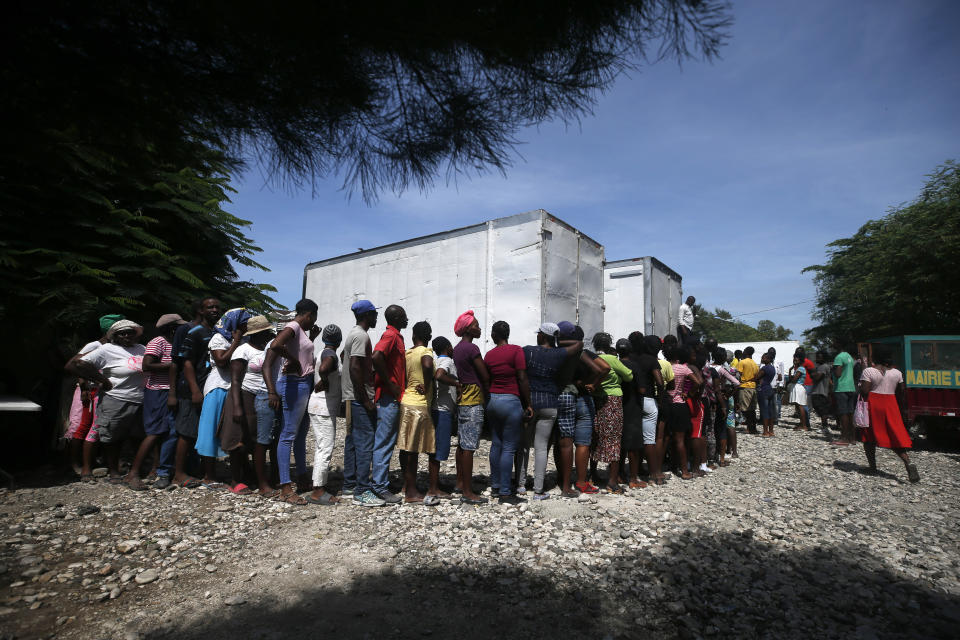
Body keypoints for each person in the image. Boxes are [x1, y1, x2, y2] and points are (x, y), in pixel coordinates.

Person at [66, 320, 146, 484]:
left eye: (130, 332)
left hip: (139, 398)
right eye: (122, 333)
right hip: (115, 398)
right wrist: (101, 380)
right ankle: (113, 471)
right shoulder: (107, 349)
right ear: (115, 336)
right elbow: (76, 365)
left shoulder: (141, 349)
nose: (126, 336)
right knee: (111, 436)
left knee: (136, 436)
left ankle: (135, 470)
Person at [264, 299, 319, 505]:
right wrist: (293, 361)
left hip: (303, 383)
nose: (313, 322)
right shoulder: (294, 326)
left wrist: (310, 340)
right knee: (288, 434)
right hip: (294, 384)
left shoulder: (301, 331)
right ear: (309, 314)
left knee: (300, 434)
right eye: (313, 318)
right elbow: (276, 345)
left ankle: (302, 477)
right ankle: (286, 487)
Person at [520, 322, 582, 500]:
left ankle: (521, 485)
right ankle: (538, 490)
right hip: (550, 403)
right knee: (541, 448)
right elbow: (579, 345)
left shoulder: (528, 351)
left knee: (524, 446)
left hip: (530, 403)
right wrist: (557, 342)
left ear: (542, 336)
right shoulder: (558, 354)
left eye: (539, 333)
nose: (537, 335)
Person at [124, 314, 186, 490]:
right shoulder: (158, 342)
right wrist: (173, 366)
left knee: (169, 432)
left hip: (170, 390)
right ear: (171, 328)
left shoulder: (175, 342)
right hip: (158, 390)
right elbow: (147, 365)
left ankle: (158, 469)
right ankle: (133, 473)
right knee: (155, 432)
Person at [64, 313, 123, 481]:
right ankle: (76, 464)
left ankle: (93, 462)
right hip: (90, 391)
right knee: (82, 427)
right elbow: (77, 365)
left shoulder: (113, 347)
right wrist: (86, 386)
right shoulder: (95, 345)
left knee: (94, 427)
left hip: (99, 391)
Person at [196, 307, 250, 489]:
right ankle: (209, 475)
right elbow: (221, 361)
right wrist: (235, 342)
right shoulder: (218, 338)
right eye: (244, 322)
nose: (247, 325)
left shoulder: (246, 339)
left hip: (236, 389)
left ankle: (239, 473)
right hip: (218, 387)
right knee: (210, 431)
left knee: (235, 432)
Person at [225, 315, 279, 497]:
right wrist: (237, 406)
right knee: (239, 438)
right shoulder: (243, 351)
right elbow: (235, 380)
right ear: (255, 334)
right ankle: (235, 479)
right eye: (265, 333)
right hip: (245, 395)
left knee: (258, 439)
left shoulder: (267, 349)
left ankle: (253, 475)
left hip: (263, 396)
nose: (268, 336)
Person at [171, 297, 222, 489]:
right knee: (187, 431)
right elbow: (184, 362)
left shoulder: (215, 332)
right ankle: (178, 473)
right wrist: (192, 390)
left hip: (209, 386)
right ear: (200, 310)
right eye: (210, 307)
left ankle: (204, 470)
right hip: (192, 388)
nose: (215, 310)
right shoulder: (191, 331)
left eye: (217, 307)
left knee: (206, 430)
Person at [484, 321, 533, 504]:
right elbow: (522, 378)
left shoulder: (489, 355)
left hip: (493, 400)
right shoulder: (516, 351)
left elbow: (487, 378)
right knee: (509, 447)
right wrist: (528, 403)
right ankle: (505, 492)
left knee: (496, 444)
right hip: (510, 401)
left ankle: (496, 485)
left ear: (495, 335)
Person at [555, 322, 606, 496]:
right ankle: (582, 481)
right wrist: (591, 383)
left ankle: (563, 478)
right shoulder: (583, 353)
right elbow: (604, 368)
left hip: (564, 395)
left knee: (563, 440)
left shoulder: (558, 351)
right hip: (584, 398)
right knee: (583, 443)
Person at [341, 300, 383, 507]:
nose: (376, 317)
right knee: (365, 444)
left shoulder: (354, 334)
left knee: (354, 442)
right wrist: (366, 399)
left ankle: (350, 483)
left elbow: (346, 359)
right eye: (374, 314)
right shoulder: (361, 335)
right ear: (367, 315)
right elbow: (355, 367)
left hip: (354, 396)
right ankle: (362, 490)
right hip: (360, 398)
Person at [858, 347, 920, 482]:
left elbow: (864, 391)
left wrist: (859, 385)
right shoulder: (897, 373)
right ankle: (908, 462)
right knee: (893, 435)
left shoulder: (869, 371)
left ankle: (872, 467)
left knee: (869, 437)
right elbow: (901, 392)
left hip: (874, 404)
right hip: (891, 404)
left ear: (875, 357)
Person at [370, 304, 408, 504]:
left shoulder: (396, 336)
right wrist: (390, 384)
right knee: (384, 442)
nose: (407, 319)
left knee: (386, 441)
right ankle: (379, 486)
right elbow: (377, 356)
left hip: (390, 397)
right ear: (397, 318)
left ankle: (380, 482)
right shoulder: (391, 336)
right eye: (404, 316)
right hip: (388, 397)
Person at [452, 310, 490, 505]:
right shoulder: (472, 349)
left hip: (463, 399)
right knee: (469, 447)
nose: (479, 328)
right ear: (467, 329)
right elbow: (484, 374)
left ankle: (460, 482)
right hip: (474, 399)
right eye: (475, 325)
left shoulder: (457, 349)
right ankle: (468, 491)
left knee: (462, 444)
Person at [396, 321, 436, 504]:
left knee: (406, 448)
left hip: (406, 401)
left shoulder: (408, 353)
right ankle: (411, 493)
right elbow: (427, 366)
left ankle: (407, 484)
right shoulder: (426, 352)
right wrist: (427, 385)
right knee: (413, 450)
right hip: (419, 405)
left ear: (414, 336)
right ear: (428, 337)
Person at [591, 332, 633, 493]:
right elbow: (629, 376)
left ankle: (592, 474)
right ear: (609, 344)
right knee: (614, 439)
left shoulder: (591, 357)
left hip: (595, 400)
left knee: (596, 437)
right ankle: (612, 482)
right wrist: (619, 380)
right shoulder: (611, 360)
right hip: (613, 401)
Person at [306, 324, 342, 505]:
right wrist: (325, 381)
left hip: (318, 405)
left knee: (322, 446)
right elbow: (324, 369)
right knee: (325, 448)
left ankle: (317, 484)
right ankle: (318, 491)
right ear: (339, 340)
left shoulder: (322, 353)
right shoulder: (330, 355)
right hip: (323, 408)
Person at [622, 334, 664, 488]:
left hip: (630, 402)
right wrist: (660, 400)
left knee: (632, 438)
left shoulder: (628, 359)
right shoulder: (651, 359)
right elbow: (659, 382)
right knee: (649, 439)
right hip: (648, 400)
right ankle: (654, 474)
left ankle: (630, 471)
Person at [429, 336, 460, 500]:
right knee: (438, 450)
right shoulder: (447, 360)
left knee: (435, 449)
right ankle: (433, 488)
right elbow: (439, 376)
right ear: (447, 347)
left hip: (437, 408)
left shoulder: (437, 360)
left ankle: (435, 484)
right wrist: (457, 384)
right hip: (442, 410)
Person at [666, 343, 702, 479]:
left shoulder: (664, 366)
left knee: (666, 438)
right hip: (680, 405)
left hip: (666, 404)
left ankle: (670, 465)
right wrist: (689, 393)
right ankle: (685, 471)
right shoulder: (683, 369)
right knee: (681, 440)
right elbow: (698, 382)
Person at [711, 347, 740, 465]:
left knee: (711, 428)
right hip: (722, 401)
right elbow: (737, 383)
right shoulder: (722, 370)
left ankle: (711, 456)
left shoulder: (707, 367)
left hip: (709, 400)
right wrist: (728, 395)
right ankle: (722, 458)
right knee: (723, 428)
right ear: (723, 358)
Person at [831, 341, 858, 446]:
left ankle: (844, 438)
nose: (832, 346)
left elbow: (838, 374)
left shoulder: (839, 357)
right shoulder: (850, 357)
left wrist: (832, 370)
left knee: (843, 413)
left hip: (841, 387)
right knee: (850, 413)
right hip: (851, 387)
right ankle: (852, 438)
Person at [736, 347, 759, 434]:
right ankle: (753, 427)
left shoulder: (742, 362)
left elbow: (738, 374)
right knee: (752, 409)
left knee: (745, 409)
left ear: (746, 352)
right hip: (753, 387)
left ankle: (750, 428)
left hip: (744, 386)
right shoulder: (755, 364)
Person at [810, 351, 834, 437]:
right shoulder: (822, 367)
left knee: (822, 410)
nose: (816, 359)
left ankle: (825, 427)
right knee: (821, 410)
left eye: (819, 357)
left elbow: (817, 377)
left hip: (820, 392)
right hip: (822, 391)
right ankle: (825, 426)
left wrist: (812, 373)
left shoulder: (823, 367)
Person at [757, 352, 777, 437]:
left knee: (764, 411)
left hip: (763, 389)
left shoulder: (764, 368)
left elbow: (756, 377)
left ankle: (765, 431)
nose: (762, 359)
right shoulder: (772, 368)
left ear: (769, 359)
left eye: (764, 358)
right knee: (770, 410)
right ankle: (771, 431)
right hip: (769, 389)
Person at [787, 354, 809, 431]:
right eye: (794, 360)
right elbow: (791, 379)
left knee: (800, 406)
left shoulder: (800, 369)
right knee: (797, 406)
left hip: (798, 388)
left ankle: (804, 425)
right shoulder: (798, 369)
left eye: (796, 360)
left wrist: (792, 377)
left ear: (800, 360)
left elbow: (794, 380)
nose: (794, 361)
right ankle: (802, 424)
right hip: (796, 387)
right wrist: (790, 371)